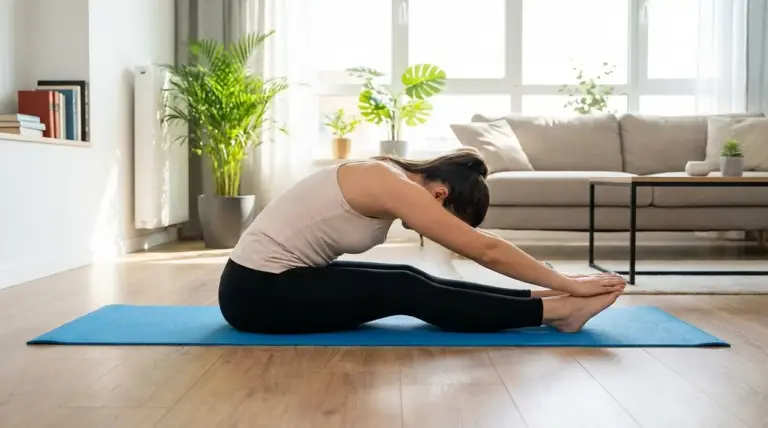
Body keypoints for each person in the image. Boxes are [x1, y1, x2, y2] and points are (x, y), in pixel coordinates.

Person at [219, 148, 626, 334]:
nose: (441, 229)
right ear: (440, 195)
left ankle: (540, 300)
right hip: (257, 295)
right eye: (449, 220)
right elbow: (486, 250)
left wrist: (548, 283)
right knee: (404, 288)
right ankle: (556, 312)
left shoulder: (388, 173)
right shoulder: (392, 185)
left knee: (406, 276)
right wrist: (568, 283)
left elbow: (480, 241)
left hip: (268, 282)